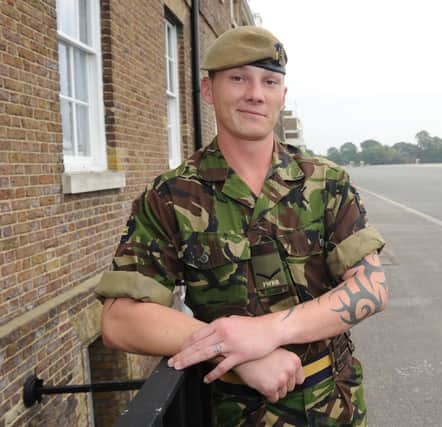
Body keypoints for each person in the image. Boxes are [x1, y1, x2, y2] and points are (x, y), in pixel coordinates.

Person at [96, 26, 387, 426]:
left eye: (269, 81)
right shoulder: (171, 196)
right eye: (238, 78)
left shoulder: (325, 182)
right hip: (235, 410)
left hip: (336, 406)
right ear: (207, 89)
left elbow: (370, 287)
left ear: (282, 96)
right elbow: (119, 319)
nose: (255, 93)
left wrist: (269, 332)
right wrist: (232, 349)